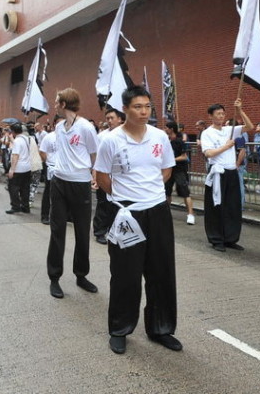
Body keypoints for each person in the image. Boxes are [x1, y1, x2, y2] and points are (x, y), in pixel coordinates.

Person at [94, 86, 180, 355]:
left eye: (147, 107)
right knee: (125, 274)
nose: (144, 112)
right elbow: (102, 178)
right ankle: (120, 329)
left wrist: (149, 192)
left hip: (157, 211)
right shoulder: (110, 140)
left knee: (161, 272)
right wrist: (126, 197)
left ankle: (161, 328)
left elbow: (166, 169)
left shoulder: (159, 137)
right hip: (126, 214)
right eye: (137, 107)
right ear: (125, 109)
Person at [46, 87, 99, 299]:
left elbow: (95, 154)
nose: (55, 105)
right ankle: (54, 278)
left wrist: (92, 175)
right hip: (59, 182)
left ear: (65, 104)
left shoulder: (86, 127)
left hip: (80, 183)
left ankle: (81, 275)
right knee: (57, 229)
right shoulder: (59, 127)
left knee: (82, 231)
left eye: (57, 101)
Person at [200, 99, 254, 252]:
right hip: (217, 172)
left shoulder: (229, 129)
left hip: (231, 172)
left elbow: (249, 127)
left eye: (223, 113)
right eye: (218, 114)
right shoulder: (207, 133)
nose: (221, 116)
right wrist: (226, 146)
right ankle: (216, 239)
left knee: (232, 206)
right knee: (216, 206)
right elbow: (208, 153)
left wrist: (240, 110)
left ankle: (231, 238)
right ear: (211, 116)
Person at [93, 108, 125, 243]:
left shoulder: (126, 135)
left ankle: (114, 231)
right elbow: (96, 160)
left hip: (121, 177)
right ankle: (99, 231)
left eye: (112, 118)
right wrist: (95, 177)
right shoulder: (102, 136)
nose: (110, 121)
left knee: (118, 206)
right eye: (108, 118)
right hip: (104, 175)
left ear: (120, 119)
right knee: (103, 204)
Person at [164, 122, 195, 224]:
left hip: (179, 170)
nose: (165, 129)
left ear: (171, 129)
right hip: (168, 170)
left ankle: (190, 214)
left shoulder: (180, 142)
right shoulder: (166, 141)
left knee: (185, 192)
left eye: (166, 128)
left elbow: (185, 156)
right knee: (167, 193)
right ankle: (165, 213)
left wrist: (172, 159)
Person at [6, 122, 32, 214]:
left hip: (19, 167)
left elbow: (15, 156)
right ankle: (25, 206)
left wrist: (12, 170)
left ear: (13, 131)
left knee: (13, 187)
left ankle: (15, 206)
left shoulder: (17, 141)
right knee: (25, 188)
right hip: (27, 167)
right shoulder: (26, 138)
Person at [38, 128, 57, 225]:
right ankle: (45, 215)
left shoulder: (68, 136)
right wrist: (48, 162)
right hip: (51, 167)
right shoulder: (49, 137)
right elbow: (42, 152)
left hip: (65, 168)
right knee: (49, 191)